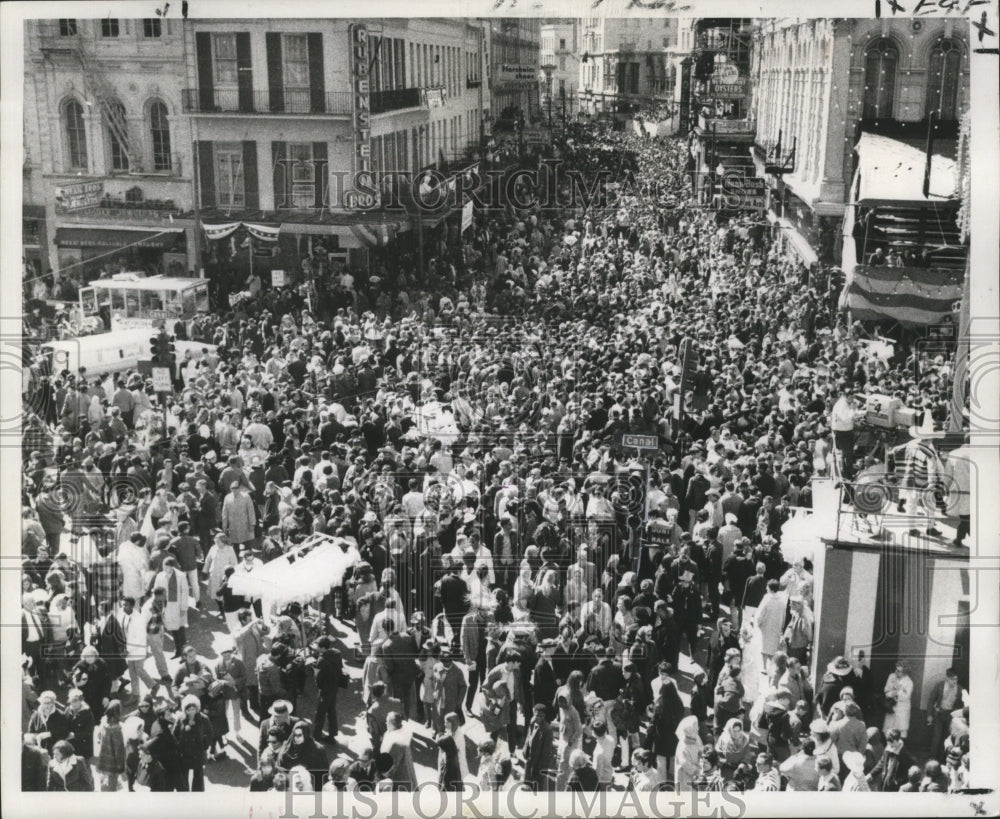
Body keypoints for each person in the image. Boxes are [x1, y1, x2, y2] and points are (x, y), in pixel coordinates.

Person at [173, 693, 213, 791]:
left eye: (193, 709)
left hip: (198, 752)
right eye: (188, 710)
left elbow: (210, 733)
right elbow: (174, 734)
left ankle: (197, 795)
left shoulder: (204, 719)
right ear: (184, 710)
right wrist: (178, 746)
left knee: (198, 775)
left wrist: (205, 746)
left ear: (197, 708)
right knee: (183, 775)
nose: (191, 712)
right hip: (184, 753)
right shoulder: (180, 718)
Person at [276, 720, 328, 791]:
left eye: (300, 735)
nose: (297, 738)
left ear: (306, 734)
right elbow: (280, 770)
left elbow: (323, 774)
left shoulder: (318, 750)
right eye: (295, 735)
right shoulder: (286, 749)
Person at [926, 667, 964, 761]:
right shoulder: (939, 686)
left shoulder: (959, 689)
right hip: (939, 713)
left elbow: (962, 704)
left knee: (947, 738)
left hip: (951, 716)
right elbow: (931, 700)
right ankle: (932, 758)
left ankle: (943, 759)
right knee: (936, 737)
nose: (954, 681)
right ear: (947, 678)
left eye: (956, 679)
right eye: (952, 679)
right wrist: (929, 715)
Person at [523, 703, 556, 792]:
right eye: (536, 715)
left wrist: (542, 764)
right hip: (530, 754)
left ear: (544, 716)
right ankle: (527, 786)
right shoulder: (532, 723)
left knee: (538, 779)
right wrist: (525, 749)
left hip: (539, 758)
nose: (537, 718)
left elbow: (546, 750)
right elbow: (528, 736)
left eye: (540, 716)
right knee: (528, 772)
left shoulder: (547, 730)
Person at [381, 711, 416, 791]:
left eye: (387, 722)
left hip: (401, 777)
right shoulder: (403, 733)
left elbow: (392, 766)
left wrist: (384, 776)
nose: (385, 723)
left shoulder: (395, 743)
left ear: (391, 724)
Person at [555, 691, 583, 790]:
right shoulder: (561, 709)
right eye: (559, 701)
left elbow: (579, 730)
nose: (561, 704)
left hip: (570, 743)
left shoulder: (574, 712)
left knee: (564, 766)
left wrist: (571, 741)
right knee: (562, 764)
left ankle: (560, 788)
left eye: (563, 701)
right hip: (563, 740)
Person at [882, 661, 914, 738]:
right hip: (891, 707)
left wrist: (897, 692)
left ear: (905, 673)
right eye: (896, 669)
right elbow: (886, 690)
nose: (896, 672)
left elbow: (906, 696)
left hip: (902, 709)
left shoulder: (909, 682)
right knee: (888, 731)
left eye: (899, 671)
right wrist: (892, 693)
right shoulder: (891, 676)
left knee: (899, 733)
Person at [674, 715, 704, 792]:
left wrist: (701, 765)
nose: (698, 728)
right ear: (689, 729)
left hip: (696, 774)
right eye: (695, 726)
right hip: (684, 775)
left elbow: (701, 751)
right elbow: (684, 763)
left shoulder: (696, 738)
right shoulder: (683, 745)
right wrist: (696, 770)